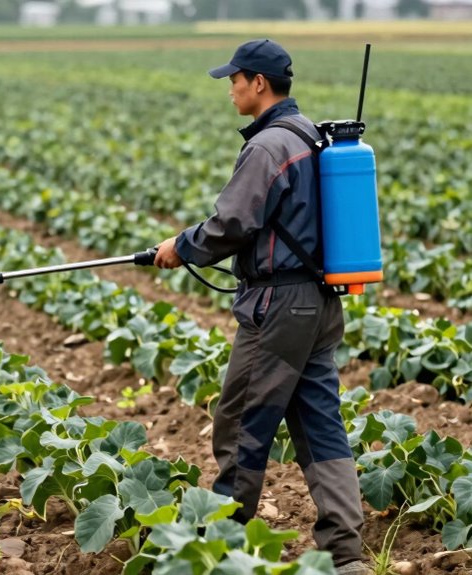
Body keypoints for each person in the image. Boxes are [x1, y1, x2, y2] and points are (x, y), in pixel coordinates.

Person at [153, 39, 369, 575]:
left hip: (278, 308)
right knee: (321, 426)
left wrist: (180, 247)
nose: (229, 90)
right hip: (320, 304)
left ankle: (219, 550)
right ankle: (348, 556)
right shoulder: (310, 134)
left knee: (241, 423)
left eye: (234, 80)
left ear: (258, 83)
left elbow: (233, 223)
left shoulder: (268, 146)